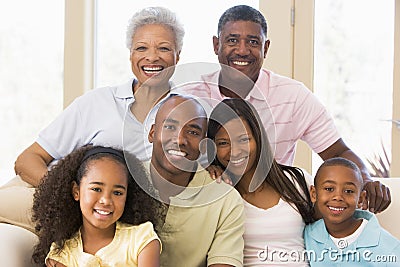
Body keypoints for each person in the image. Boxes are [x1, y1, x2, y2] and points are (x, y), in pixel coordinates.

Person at [183, 4, 390, 213]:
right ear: (216, 44)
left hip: (271, 212)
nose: (243, 50)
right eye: (232, 40)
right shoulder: (191, 97)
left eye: (253, 42)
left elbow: (339, 151)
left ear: (266, 48)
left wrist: (367, 179)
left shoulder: (293, 96)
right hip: (209, 209)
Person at [0, 6, 184, 232]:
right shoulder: (98, 102)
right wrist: (73, 196)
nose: (152, 57)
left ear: (178, 55)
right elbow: (27, 159)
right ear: (131, 55)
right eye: (141, 48)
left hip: (102, 215)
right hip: (43, 193)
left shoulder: (187, 115)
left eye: (164, 48)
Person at [137, 94, 244, 266]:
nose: (180, 140)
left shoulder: (226, 200)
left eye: (193, 132)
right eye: (170, 127)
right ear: (152, 133)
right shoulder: (124, 182)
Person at [207, 98, 314, 266]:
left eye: (243, 139)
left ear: (258, 138)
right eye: (223, 143)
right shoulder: (218, 192)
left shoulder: (297, 180)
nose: (235, 151)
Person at [32, 145, 162, 267]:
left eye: (117, 193)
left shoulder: (141, 239)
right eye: (96, 189)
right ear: (76, 191)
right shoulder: (62, 252)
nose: (106, 200)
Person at [304, 157, 400, 266]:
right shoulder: (306, 235)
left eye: (348, 191)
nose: (338, 197)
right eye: (329, 189)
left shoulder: (389, 249)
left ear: (360, 199)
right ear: (314, 194)